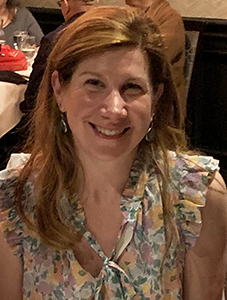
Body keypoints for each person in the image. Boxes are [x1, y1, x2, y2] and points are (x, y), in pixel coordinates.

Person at [0, 6, 227, 300]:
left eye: (132, 87)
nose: (114, 109)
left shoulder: (196, 198)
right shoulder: (16, 200)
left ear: (155, 97)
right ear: (59, 90)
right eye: (94, 83)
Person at [21, 0, 95, 115]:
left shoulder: (55, 39)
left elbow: (34, 97)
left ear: (65, 4)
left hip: (59, 121)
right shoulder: (110, 34)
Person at [125, 0, 186, 118]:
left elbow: (153, 58)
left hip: (161, 105)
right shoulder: (128, 15)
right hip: (129, 92)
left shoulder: (170, 18)